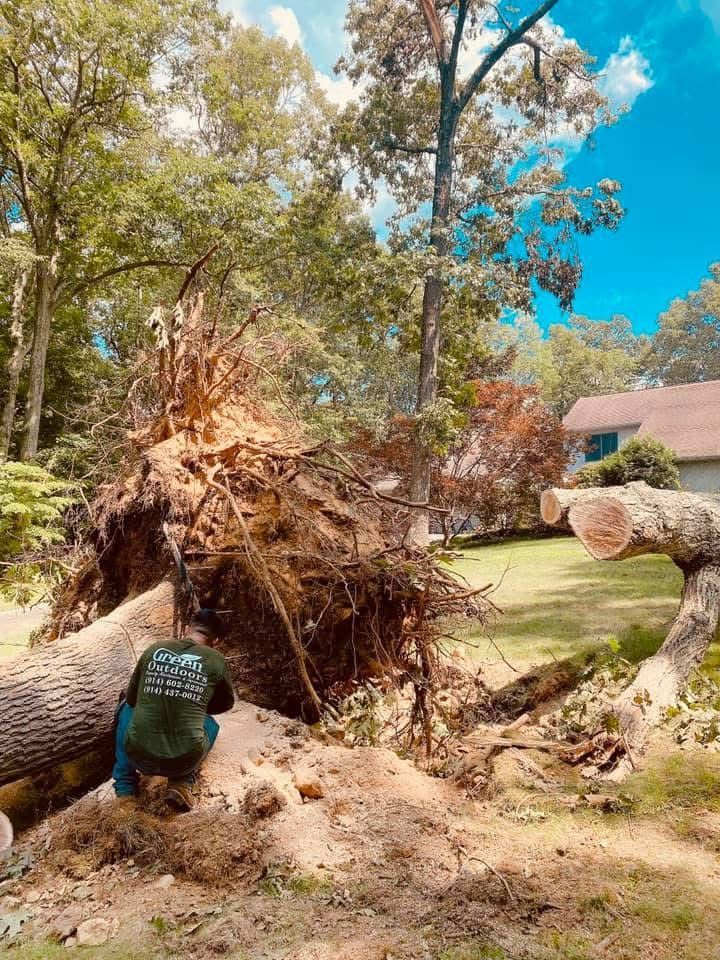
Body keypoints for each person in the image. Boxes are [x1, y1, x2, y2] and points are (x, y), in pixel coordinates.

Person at [112, 608, 235, 810]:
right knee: (210, 724)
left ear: (187, 629)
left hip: (139, 754)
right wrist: (196, 701)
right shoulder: (215, 659)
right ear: (217, 641)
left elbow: (133, 699)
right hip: (182, 761)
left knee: (126, 708)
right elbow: (226, 704)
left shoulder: (155, 649)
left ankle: (125, 791)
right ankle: (182, 784)